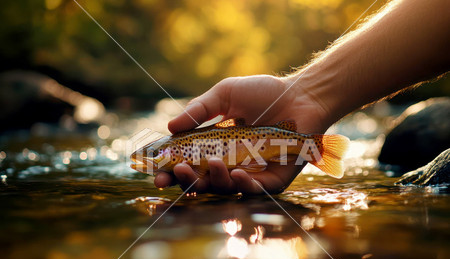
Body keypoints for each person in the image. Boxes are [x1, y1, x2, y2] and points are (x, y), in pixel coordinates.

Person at [155, 0, 450, 194]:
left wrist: (308, 94)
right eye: (152, 156)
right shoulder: (184, 153)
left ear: (173, 153)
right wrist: (308, 94)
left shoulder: (184, 149)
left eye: (154, 155)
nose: (151, 160)